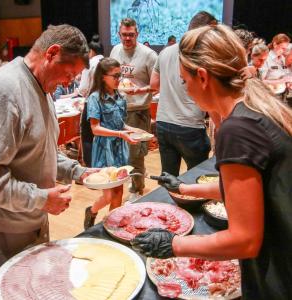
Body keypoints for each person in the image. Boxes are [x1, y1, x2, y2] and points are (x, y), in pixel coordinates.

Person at [131, 24, 292, 299]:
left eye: (184, 81)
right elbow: (247, 192)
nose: (186, 88)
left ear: (203, 77)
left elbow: (245, 240)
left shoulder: (238, 129)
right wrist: (183, 188)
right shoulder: (255, 104)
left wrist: (174, 244)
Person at [0, 24, 99, 274]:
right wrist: (42, 199)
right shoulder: (4, 91)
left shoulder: (43, 87)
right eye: (69, 74)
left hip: (33, 220)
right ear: (51, 53)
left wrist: (78, 171)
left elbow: (41, 151)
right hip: (5, 231)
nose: (69, 83)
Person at [149, 11, 214, 176]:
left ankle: (166, 203)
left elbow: (154, 84)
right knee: (198, 178)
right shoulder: (201, 54)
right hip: (190, 125)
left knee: (168, 178)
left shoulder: (166, 52)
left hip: (163, 122)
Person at [84, 58, 142, 229]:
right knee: (109, 195)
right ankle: (92, 211)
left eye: (120, 75)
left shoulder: (120, 97)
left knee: (118, 192)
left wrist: (134, 130)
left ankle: (111, 227)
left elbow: (120, 124)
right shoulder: (95, 98)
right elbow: (95, 128)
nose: (119, 79)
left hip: (119, 149)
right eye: (115, 76)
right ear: (103, 77)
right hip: (104, 149)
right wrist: (120, 134)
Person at [110, 18, 157, 201]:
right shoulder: (115, 50)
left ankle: (137, 189)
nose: (127, 38)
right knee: (121, 151)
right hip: (117, 107)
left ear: (137, 34)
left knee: (135, 153)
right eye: (124, 35)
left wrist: (139, 90)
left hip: (138, 109)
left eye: (131, 35)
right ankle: (131, 181)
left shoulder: (149, 55)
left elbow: (157, 85)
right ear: (119, 34)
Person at [79, 34, 104, 168]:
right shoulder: (107, 61)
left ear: (91, 51)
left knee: (88, 137)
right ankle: (103, 165)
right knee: (103, 135)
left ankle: (90, 168)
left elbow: (83, 89)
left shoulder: (89, 64)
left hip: (92, 102)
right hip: (107, 102)